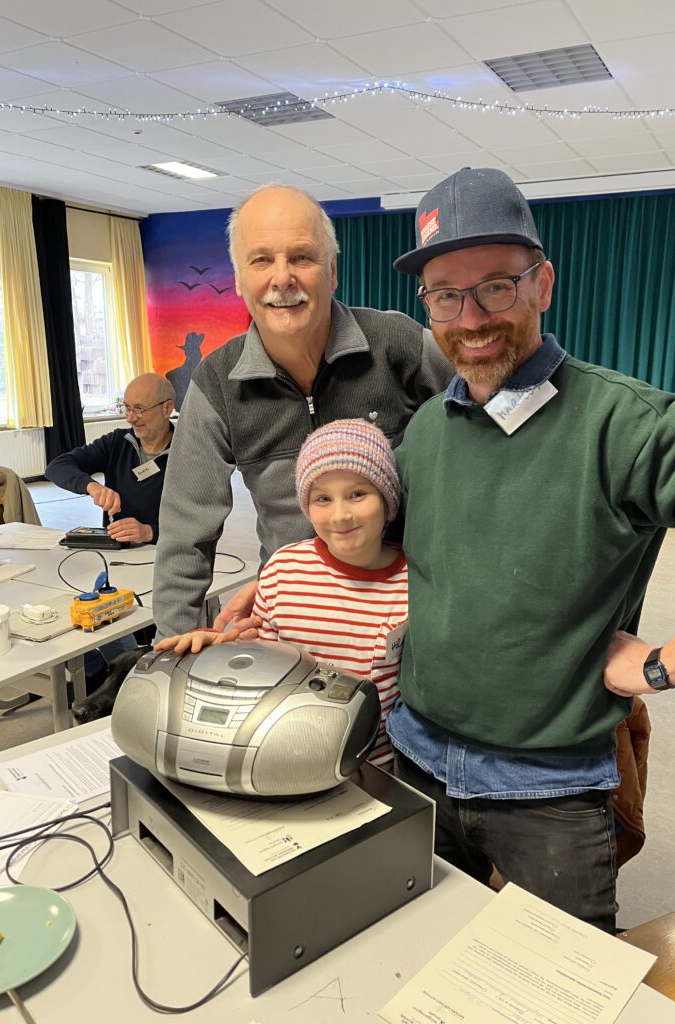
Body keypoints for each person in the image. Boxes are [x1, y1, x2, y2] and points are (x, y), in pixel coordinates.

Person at [384, 166, 675, 933]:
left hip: (546, 792)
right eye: (445, 295)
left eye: (495, 287)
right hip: (416, 758)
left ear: (543, 284)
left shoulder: (627, 424)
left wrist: (664, 664)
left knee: (558, 985)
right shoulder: (425, 430)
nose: (470, 318)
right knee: (410, 953)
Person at [152, 183, 453, 640]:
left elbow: (485, 429)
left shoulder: (401, 345)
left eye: (302, 257)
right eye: (261, 260)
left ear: (332, 271)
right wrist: (173, 648)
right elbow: (184, 530)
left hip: (406, 609)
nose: (282, 278)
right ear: (238, 279)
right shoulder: (216, 382)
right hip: (294, 616)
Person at [156, 418, 407, 768]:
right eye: (323, 498)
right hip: (283, 760)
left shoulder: (414, 582)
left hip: (375, 767)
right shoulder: (283, 569)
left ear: (387, 499)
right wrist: (220, 651)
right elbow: (262, 666)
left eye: (357, 494)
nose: (340, 515)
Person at [46, 373, 175, 545]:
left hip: (166, 553)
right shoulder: (117, 443)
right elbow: (57, 466)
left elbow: (201, 523)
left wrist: (150, 532)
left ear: (167, 408)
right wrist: (92, 487)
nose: (130, 418)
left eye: (139, 409)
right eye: (127, 408)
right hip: (118, 553)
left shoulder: (190, 452)